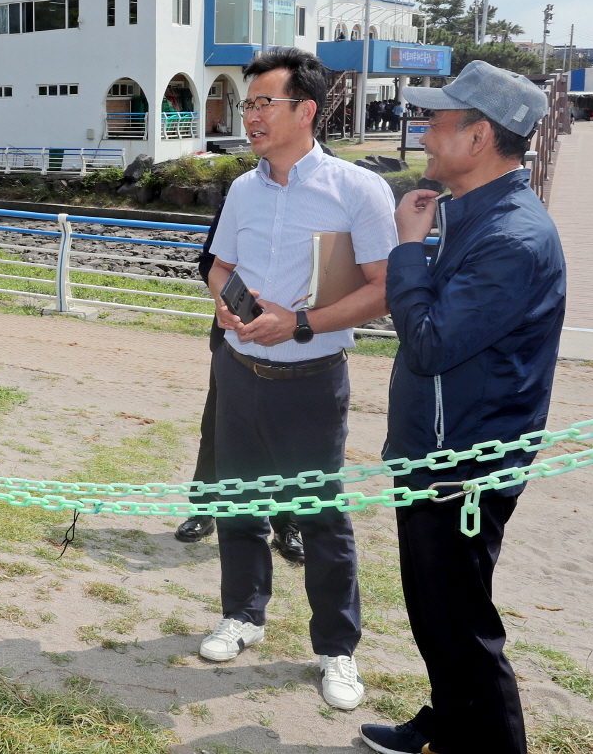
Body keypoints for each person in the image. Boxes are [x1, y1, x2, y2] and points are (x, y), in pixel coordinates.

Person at [358, 62, 564, 754]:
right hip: (434, 450)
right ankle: (449, 719)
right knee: (434, 610)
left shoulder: (512, 237)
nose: (421, 131)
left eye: (435, 121)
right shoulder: (471, 212)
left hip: (466, 464)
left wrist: (407, 246)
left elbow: (427, 343)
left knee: (464, 624)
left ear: (477, 136)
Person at [201, 46, 397, 713]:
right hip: (239, 370)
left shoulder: (359, 190)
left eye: (262, 102)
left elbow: (384, 289)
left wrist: (301, 322)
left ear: (305, 110)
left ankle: (337, 648)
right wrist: (226, 302)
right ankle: (242, 614)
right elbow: (219, 263)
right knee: (236, 501)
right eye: (246, 103)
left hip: (313, 378)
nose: (249, 114)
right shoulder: (242, 188)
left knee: (320, 515)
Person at [174, 193, 304, 565]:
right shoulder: (244, 193)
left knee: (289, 438)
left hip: (301, 343)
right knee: (217, 429)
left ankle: (287, 525)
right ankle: (204, 509)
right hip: (236, 340)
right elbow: (210, 264)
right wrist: (235, 301)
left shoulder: (331, 198)